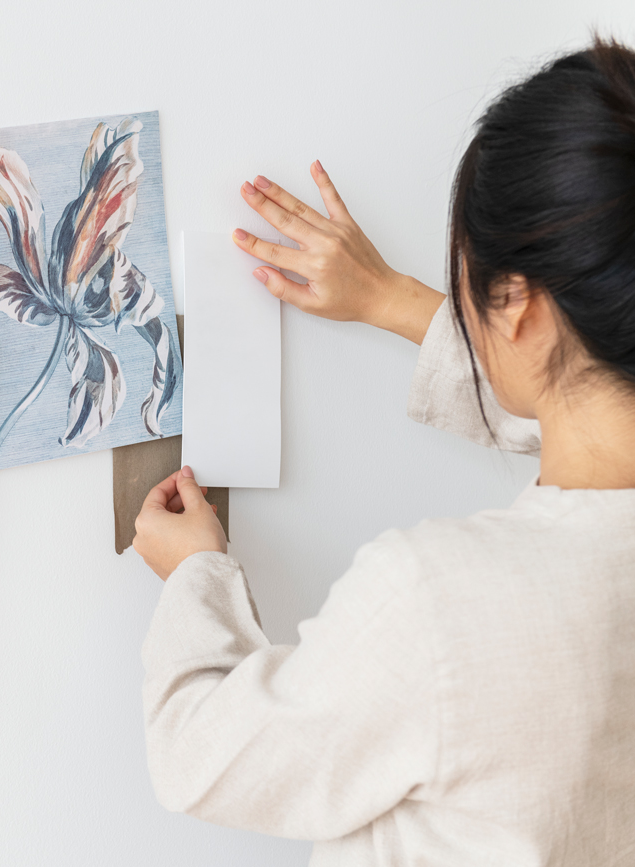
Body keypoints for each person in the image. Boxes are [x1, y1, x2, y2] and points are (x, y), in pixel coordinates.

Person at [131, 37, 635, 865]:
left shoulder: (440, 601)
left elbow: (200, 754)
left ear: (515, 302)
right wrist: (389, 298)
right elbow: (574, 424)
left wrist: (196, 578)